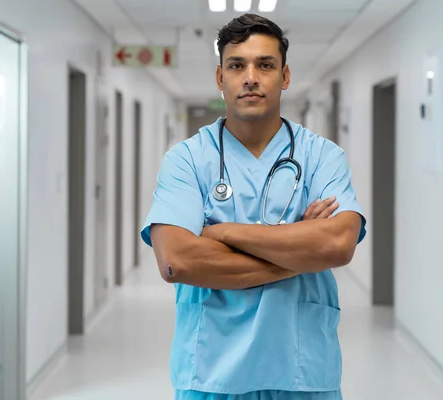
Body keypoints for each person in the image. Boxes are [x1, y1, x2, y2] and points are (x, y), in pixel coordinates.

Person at [141, 13, 366, 400]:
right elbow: (178, 261)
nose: (250, 77)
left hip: (302, 372)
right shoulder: (187, 159)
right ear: (220, 77)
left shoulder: (322, 156)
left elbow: (337, 246)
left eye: (265, 64)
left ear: (285, 76)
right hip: (211, 374)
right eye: (236, 65)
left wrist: (221, 233)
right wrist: (299, 249)